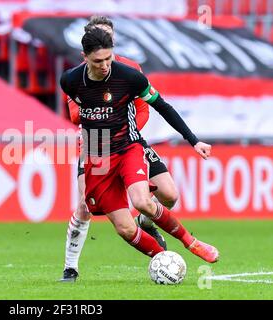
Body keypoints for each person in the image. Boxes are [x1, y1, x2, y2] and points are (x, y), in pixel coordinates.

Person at [59, 27, 219, 281]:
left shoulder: (130, 77)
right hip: (97, 157)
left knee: (143, 201)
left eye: (108, 59)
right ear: (84, 57)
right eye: (98, 61)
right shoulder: (70, 80)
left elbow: (162, 107)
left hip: (128, 148)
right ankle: (162, 258)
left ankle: (191, 242)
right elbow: (80, 115)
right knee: (124, 228)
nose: (105, 66)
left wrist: (193, 140)